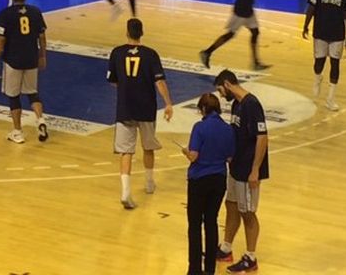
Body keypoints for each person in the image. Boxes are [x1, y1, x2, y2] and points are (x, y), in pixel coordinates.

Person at [107, 18, 174, 209]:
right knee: (148, 147)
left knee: (126, 151)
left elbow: (113, 80)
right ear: (142, 32)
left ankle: (125, 192)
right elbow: (159, 82)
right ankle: (149, 183)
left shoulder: (117, 53)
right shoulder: (151, 55)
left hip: (125, 107)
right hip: (146, 107)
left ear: (127, 32)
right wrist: (168, 103)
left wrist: (126, 87)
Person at [213, 70, 269, 274]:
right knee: (231, 205)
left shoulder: (252, 105)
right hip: (236, 167)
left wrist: (255, 170)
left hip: (248, 170)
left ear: (227, 84)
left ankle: (251, 257)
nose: (220, 95)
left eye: (220, 90)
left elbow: (262, 137)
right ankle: (226, 248)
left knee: (248, 213)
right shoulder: (237, 105)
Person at [182, 93, 235, 275]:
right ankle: (210, 269)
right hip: (219, 179)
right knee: (211, 222)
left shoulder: (200, 127)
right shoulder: (228, 129)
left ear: (203, 109)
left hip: (199, 179)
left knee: (195, 225)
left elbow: (194, 155)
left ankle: (194, 269)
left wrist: (185, 151)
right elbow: (229, 157)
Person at [0, 0, 49, 144]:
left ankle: (17, 132)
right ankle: (40, 119)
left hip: (13, 60)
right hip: (31, 58)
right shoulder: (35, 12)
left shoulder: (6, 14)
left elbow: (1, 40)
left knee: (14, 96)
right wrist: (43, 55)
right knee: (32, 93)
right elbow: (42, 37)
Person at [302, 0, 346, 111]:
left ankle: (330, 99)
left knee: (335, 64)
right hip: (320, 32)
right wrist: (305, 25)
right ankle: (318, 78)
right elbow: (311, 8)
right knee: (319, 63)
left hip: (337, 34)